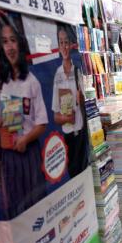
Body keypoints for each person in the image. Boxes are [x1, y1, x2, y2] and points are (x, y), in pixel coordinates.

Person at [0, 22, 48, 219]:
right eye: (5, 42)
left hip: (29, 154)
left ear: (20, 45)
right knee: (15, 210)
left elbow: (41, 123)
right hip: (8, 157)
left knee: (35, 209)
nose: (10, 47)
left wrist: (25, 139)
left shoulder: (32, 82)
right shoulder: (1, 82)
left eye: (13, 40)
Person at [52, 25, 88, 178]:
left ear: (71, 44)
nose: (64, 47)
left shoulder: (78, 70)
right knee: (74, 177)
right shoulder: (58, 75)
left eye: (66, 42)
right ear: (58, 46)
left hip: (81, 135)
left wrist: (82, 99)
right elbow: (55, 116)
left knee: (84, 175)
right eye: (61, 43)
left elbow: (87, 102)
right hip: (68, 139)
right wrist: (66, 118)